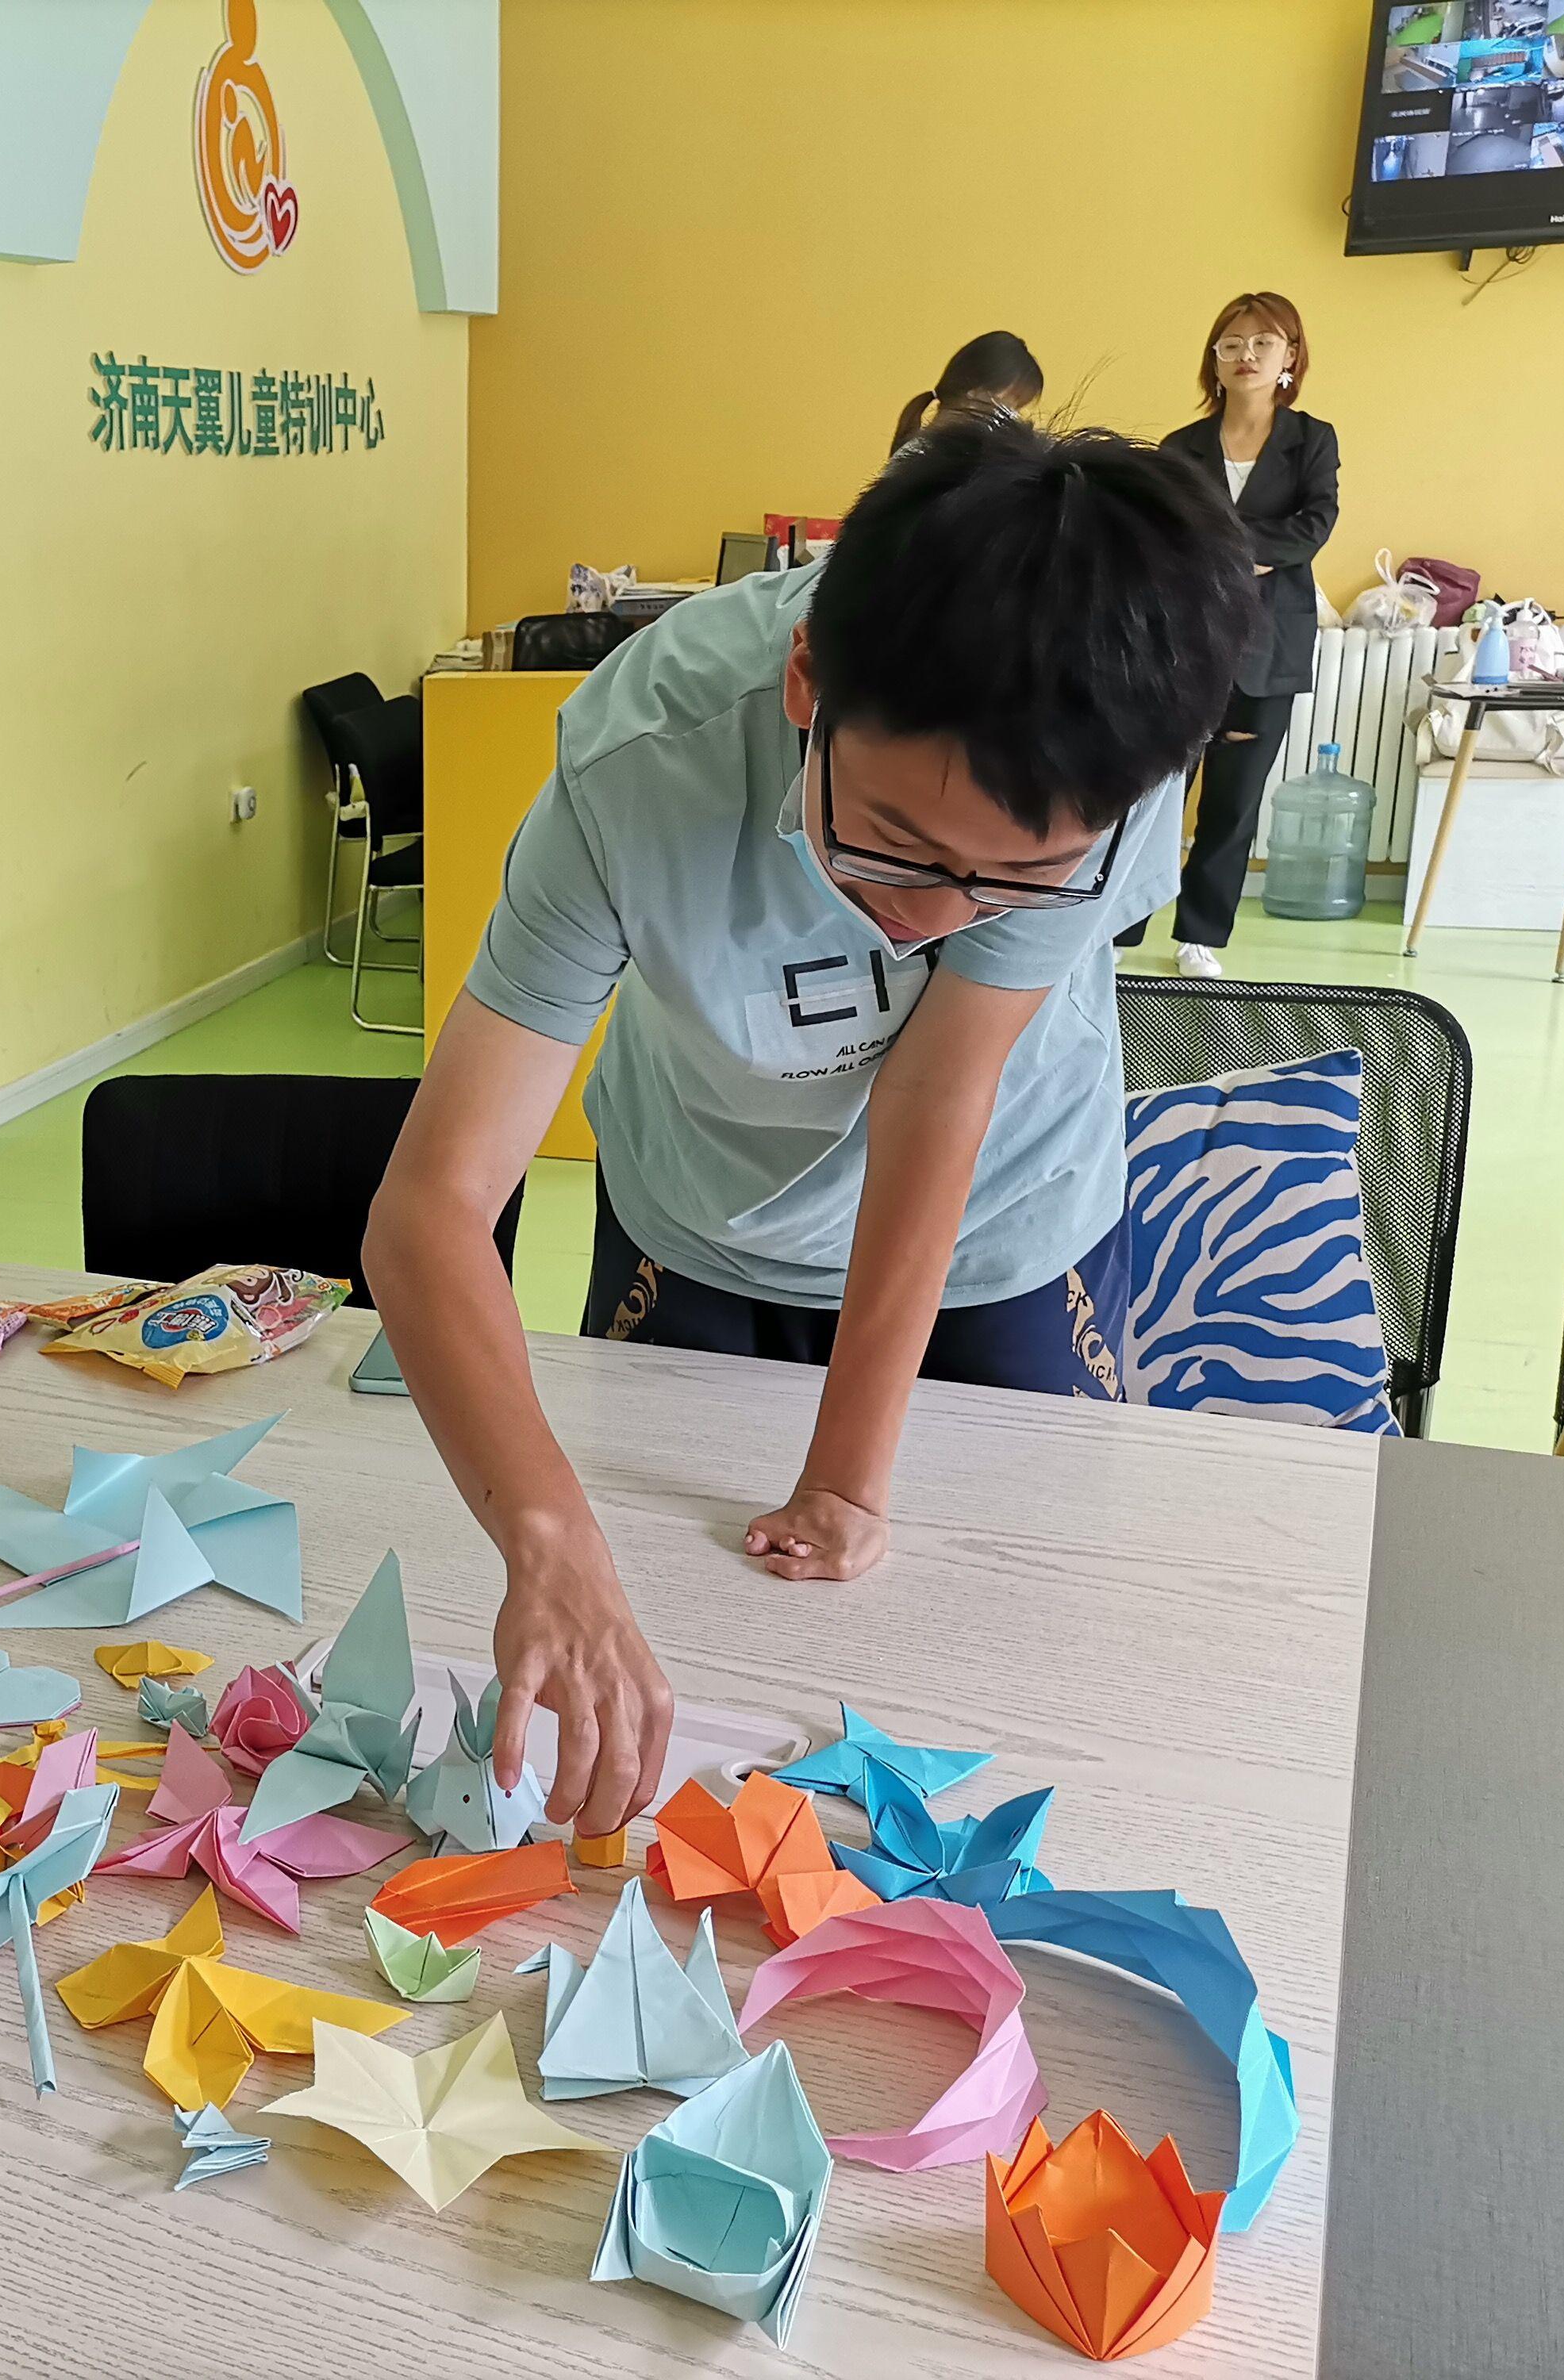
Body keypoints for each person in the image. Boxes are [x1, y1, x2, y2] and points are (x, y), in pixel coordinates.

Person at [363, 417, 1254, 1834]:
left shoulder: (1117, 763)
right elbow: (432, 1203)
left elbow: (939, 1087)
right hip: (703, 1204)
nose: (934, 914)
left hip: (1003, 1218)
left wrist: (846, 1474)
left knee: (1015, 1659)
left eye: (1012, 879)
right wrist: (545, 1537)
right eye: (892, 839)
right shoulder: (639, 763)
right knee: (669, 1611)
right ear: (805, 686)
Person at [1138, 291, 1339, 975]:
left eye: (1262, 342)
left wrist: (1218, 545)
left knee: (1232, 803)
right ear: (1214, 360)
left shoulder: (1313, 439)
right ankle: (1117, 932)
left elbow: (1313, 527)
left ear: (1290, 357)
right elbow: (1163, 534)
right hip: (1180, 644)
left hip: (1269, 648)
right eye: (1231, 343)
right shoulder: (1180, 448)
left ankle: (1200, 935)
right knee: (1149, 798)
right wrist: (1244, 552)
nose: (1245, 355)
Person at [890, 330, 1043, 454]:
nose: (1013, 418)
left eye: (1017, 409)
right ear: (975, 390)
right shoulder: (924, 457)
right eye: (1012, 402)